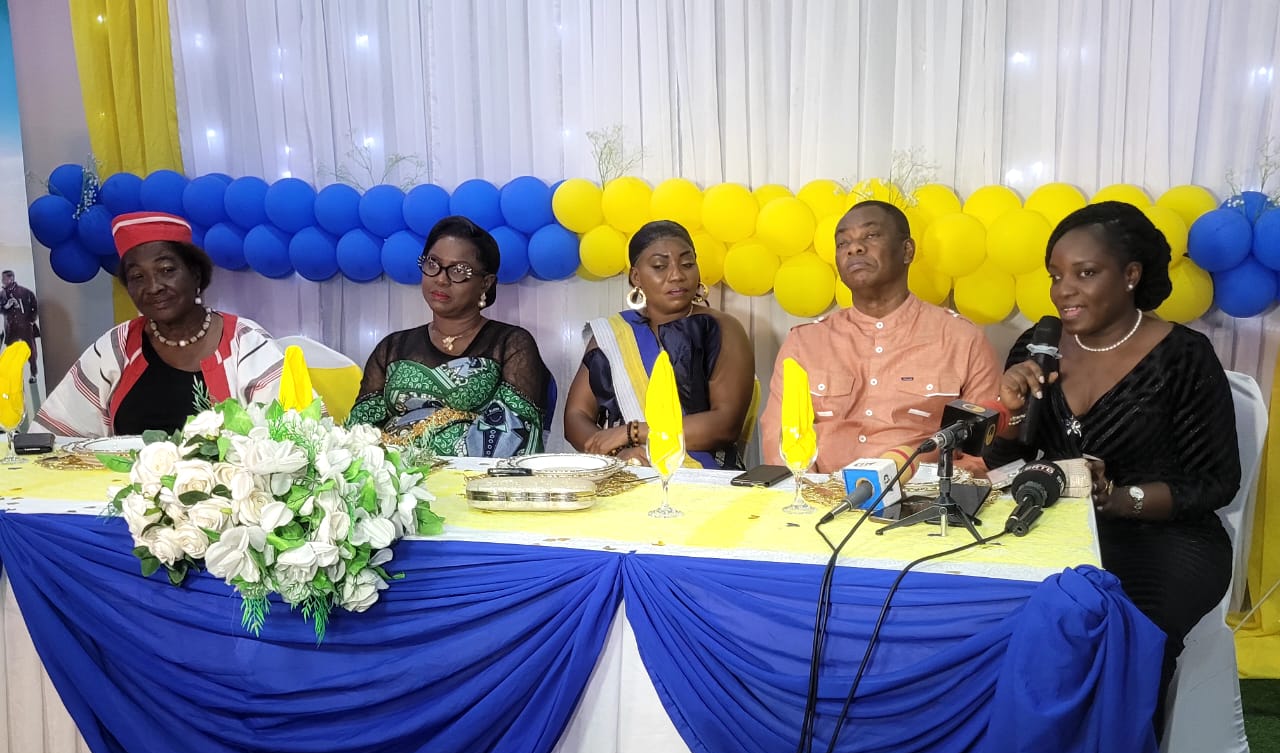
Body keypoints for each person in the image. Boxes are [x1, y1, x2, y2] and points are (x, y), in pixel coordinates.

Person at [986, 200, 1240, 730]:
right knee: (992, 614)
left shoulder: (1184, 355)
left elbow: (1216, 483)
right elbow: (1005, 463)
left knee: (1122, 634)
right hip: (1056, 526)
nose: (1064, 290)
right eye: (1056, 275)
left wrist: (1120, 500)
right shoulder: (1037, 347)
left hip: (1166, 539)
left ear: (1130, 275)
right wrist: (1011, 415)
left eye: (1085, 273)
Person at [759, 201, 1002, 474]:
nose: (854, 248)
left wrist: (927, 491)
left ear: (907, 250)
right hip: (819, 494)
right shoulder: (804, 343)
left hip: (921, 497)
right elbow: (780, 438)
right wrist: (813, 492)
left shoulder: (963, 340)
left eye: (871, 235)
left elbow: (978, 456)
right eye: (842, 243)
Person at [37, 212, 285, 437]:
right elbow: (57, 432)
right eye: (137, 276)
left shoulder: (246, 344)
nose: (153, 287)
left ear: (195, 274)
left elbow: (287, 438)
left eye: (166, 270)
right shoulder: (117, 347)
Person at [348, 215, 550, 457]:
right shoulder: (392, 347)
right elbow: (359, 432)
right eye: (433, 264)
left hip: (475, 478)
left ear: (485, 283)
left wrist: (412, 452)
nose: (441, 279)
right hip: (396, 476)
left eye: (459, 270)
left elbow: (511, 439)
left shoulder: (511, 344)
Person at [563, 220, 754, 468]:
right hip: (629, 472)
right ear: (636, 277)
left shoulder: (721, 328)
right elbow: (576, 416)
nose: (677, 275)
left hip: (704, 475)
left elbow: (726, 425)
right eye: (659, 266)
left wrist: (632, 432)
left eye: (687, 264)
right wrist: (617, 454)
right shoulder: (612, 333)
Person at [2, 270, 40, 383]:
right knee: (11, 352)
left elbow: (35, 307)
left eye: (4, 278)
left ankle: (33, 374)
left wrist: (31, 321)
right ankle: (14, 377)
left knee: (31, 351)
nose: (2, 281)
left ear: (11, 279)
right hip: (11, 328)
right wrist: (6, 306)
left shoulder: (25, 292)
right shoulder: (2, 294)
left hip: (25, 327)